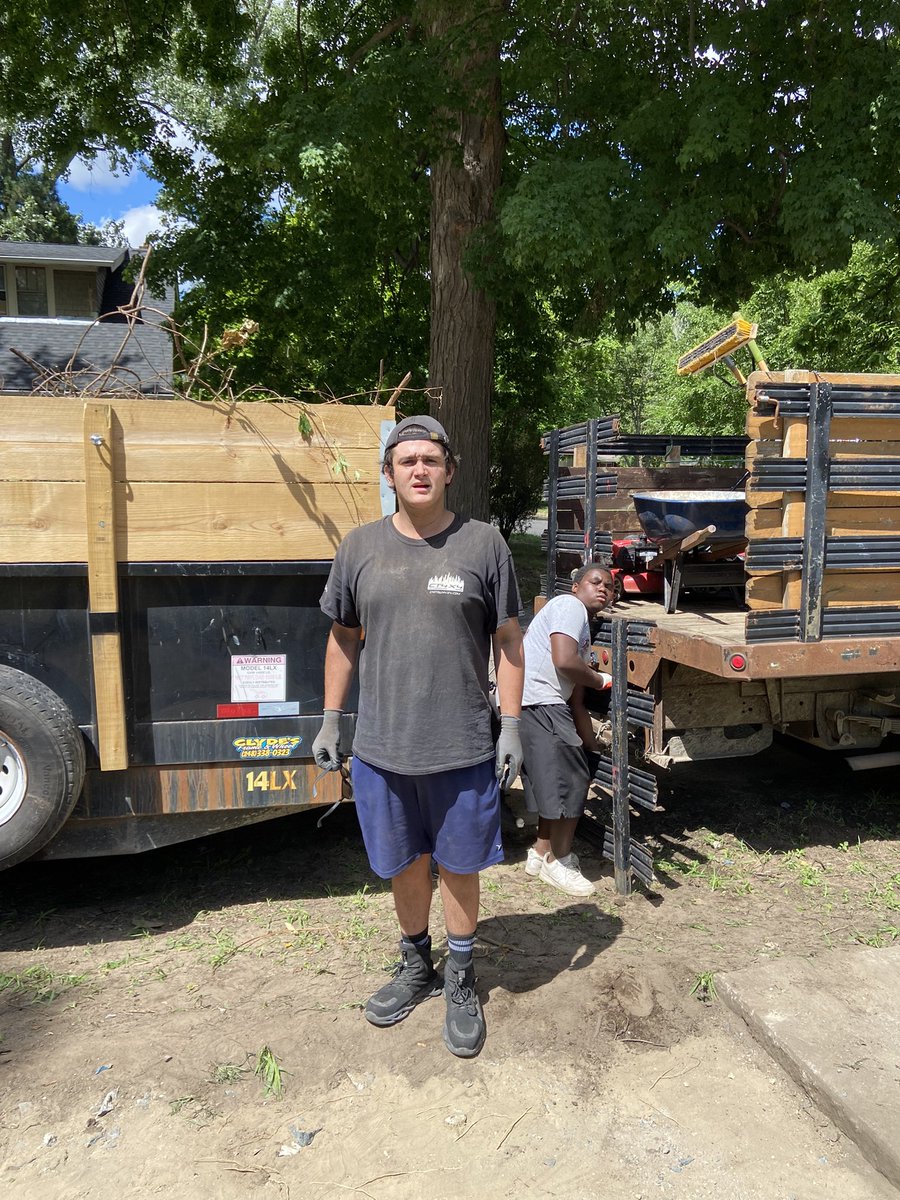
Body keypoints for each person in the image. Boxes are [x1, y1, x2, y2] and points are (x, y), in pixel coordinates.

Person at [311, 414, 524, 1058]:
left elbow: (509, 640)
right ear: (390, 473)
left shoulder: (484, 545)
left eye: (431, 460)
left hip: (461, 745)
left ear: (449, 471)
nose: (420, 470)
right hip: (382, 747)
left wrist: (511, 725)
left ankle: (461, 976)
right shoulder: (359, 549)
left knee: (459, 865)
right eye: (407, 461)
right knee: (406, 863)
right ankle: (416, 963)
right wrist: (329, 718)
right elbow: (343, 639)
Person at [519, 562, 614, 897]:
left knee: (554, 781)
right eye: (595, 581)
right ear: (576, 586)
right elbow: (564, 662)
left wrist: (591, 747)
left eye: (610, 587)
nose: (603, 588)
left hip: (537, 704)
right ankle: (559, 862)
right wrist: (601, 678)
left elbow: (576, 700)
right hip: (542, 702)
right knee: (571, 780)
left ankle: (541, 852)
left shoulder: (579, 627)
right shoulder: (569, 606)